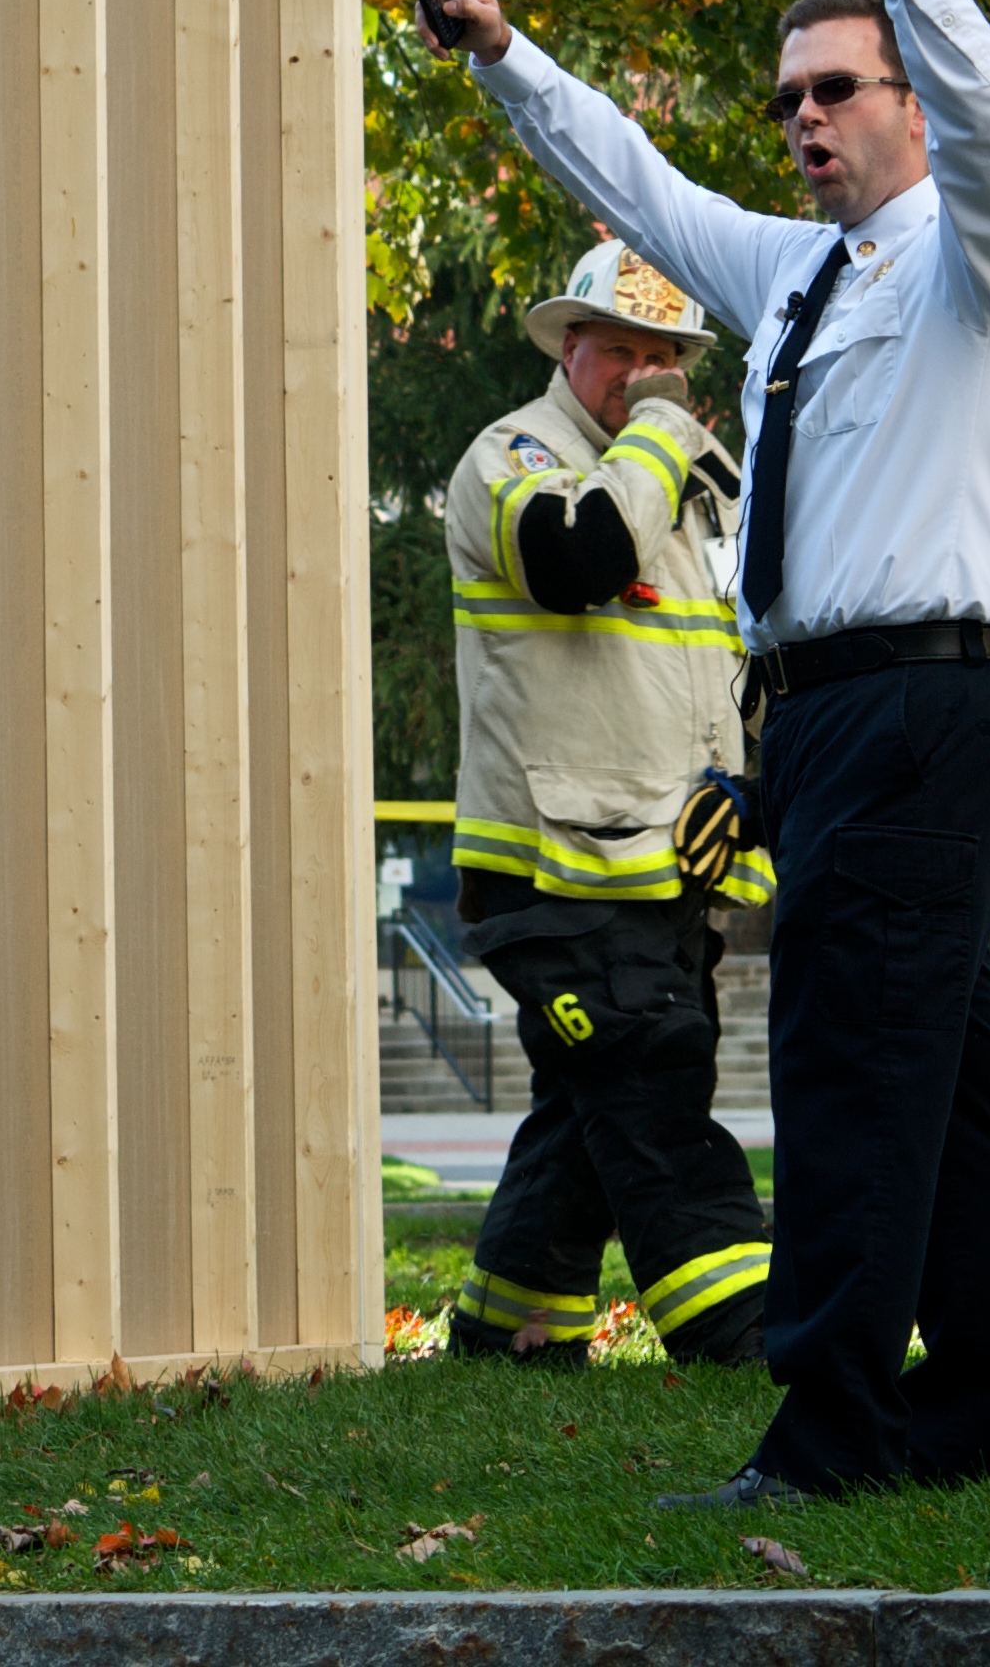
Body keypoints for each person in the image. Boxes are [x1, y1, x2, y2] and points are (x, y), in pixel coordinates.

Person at [419, 0, 990, 1504]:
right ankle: (982, 1417)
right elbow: (620, 177)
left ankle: (827, 1437)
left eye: (834, 88)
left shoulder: (979, 261)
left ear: (906, 103)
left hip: (927, 702)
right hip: (825, 726)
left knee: (852, 1069)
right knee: (956, 1080)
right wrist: (503, 55)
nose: (799, 118)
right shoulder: (796, 275)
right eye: (783, 96)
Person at [440, 239, 779, 1369]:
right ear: (565, 345)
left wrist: (744, 787)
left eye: (659, 356)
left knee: (590, 1098)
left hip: (665, 867)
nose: (637, 373)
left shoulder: (691, 489)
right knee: (649, 1075)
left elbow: (733, 655)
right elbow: (572, 556)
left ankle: (508, 1327)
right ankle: (743, 1333)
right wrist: (655, 434)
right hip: (551, 869)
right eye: (616, 350)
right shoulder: (510, 454)